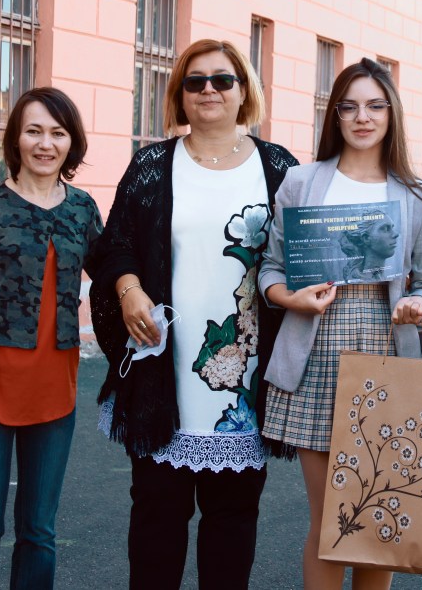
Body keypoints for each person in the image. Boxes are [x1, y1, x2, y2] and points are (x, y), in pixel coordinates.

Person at [89, 39, 298, 589]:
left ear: (244, 91)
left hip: (243, 383)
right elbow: (115, 245)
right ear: (179, 94)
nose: (209, 90)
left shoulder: (279, 168)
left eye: (223, 79)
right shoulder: (152, 165)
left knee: (233, 523)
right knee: (156, 521)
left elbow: (302, 258)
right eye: (195, 80)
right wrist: (129, 289)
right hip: (165, 372)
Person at [259, 58, 422, 590]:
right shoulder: (302, 181)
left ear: (392, 113)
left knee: (377, 519)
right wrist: (292, 299)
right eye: (350, 107)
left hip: (387, 351)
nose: (363, 117)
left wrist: (418, 305)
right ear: (335, 115)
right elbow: (270, 268)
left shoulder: (418, 196)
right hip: (317, 350)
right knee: (331, 521)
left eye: (375, 106)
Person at [0, 87, 102, 589]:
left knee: (39, 532)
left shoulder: (82, 210)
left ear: (72, 143)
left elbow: (115, 275)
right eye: (34, 131)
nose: (45, 144)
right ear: (15, 138)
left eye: (57, 133)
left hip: (55, 389)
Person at [338, 209, 401, 282]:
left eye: (392, 228)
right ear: (366, 238)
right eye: (385, 229)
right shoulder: (359, 280)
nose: (396, 234)